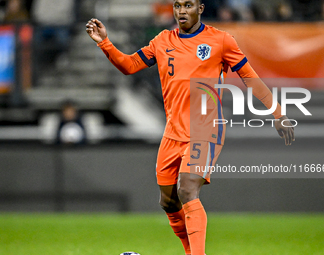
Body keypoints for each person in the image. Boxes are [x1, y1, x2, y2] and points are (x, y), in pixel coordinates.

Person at [86, 0, 295, 254]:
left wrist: (277, 112)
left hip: (205, 128)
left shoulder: (221, 41)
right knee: (168, 201)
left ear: (201, 8)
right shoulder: (161, 40)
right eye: (177, 5)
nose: (181, 11)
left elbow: (249, 77)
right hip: (173, 131)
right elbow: (129, 66)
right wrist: (104, 42)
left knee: (187, 189)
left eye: (188, 5)